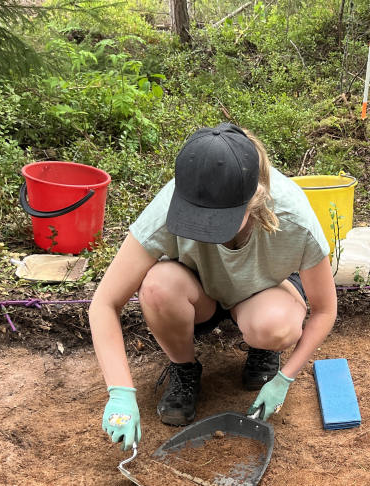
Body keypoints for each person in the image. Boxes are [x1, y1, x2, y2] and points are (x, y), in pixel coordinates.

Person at [89, 123, 337, 450]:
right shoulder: (170, 203)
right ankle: (184, 367)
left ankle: (264, 351)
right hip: (198, 291)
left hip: (262, 292)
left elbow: (324, 310)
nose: (205, 229)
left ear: (254, 199)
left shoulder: (294, 216)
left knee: (276, 325)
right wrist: (120, 391)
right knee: (157, 287)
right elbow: (105, 303)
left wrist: (285, 378)